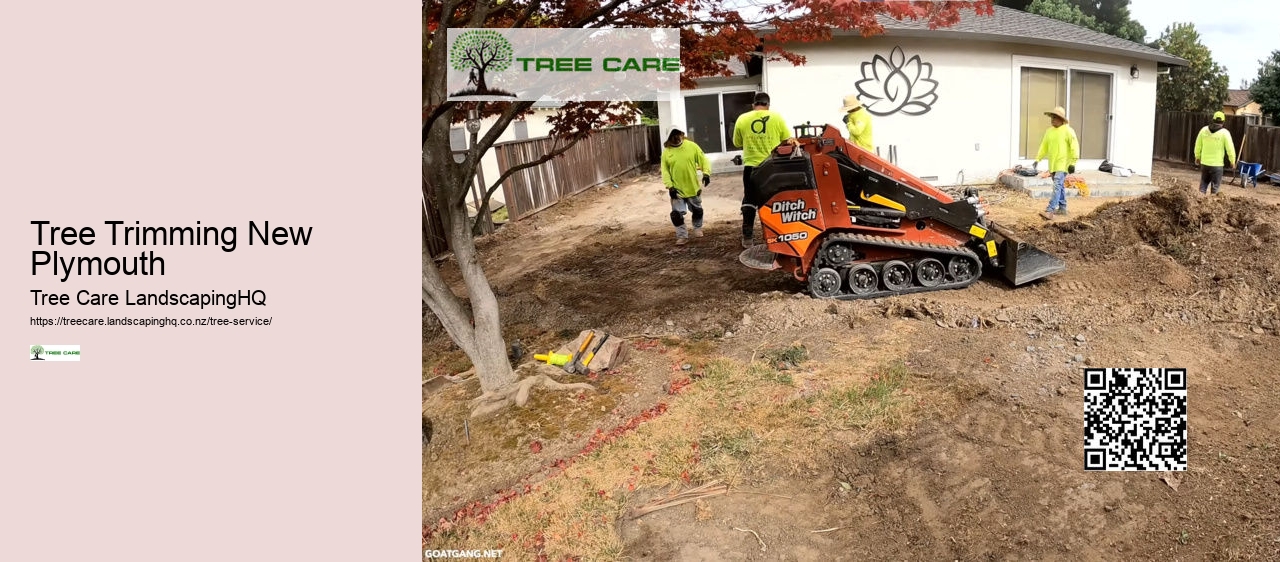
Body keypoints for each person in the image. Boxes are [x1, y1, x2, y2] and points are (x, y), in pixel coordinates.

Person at [732, 92, 793, 248]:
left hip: (751, 167)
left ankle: (747, 237)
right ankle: (775, 236)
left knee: (749, 200)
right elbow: (786, 140)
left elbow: (737, 142)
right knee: (774, 202)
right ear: (768, 105)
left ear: (754, 104)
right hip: (772, 168)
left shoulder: (742, 119)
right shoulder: (777, 117)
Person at [660, 129, 712, 246]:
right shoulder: (667, 152)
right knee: (676, 215)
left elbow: (703, 160)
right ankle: (682, 236)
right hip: (677, 189)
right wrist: (670, 187)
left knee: (697, 210)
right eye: (673, 135)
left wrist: (706, 173)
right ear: (669, 138)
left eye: (678, 134)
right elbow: (665, 171)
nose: (676, 137)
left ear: (682, 134)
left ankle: (697, 228)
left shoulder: (692, 146)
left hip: (692, 187)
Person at [1034, 106, 1079, 220]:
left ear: (1061, 119)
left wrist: (1073, 162)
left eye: (1055, 117)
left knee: (1057, 185)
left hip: (1063, 164)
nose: (1052, 120)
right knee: (1060, 186)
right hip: (1053, 164)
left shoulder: (1068, 131)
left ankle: (1050, 210)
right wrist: (1037, 159)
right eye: (1052, 117)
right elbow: (1044, 146)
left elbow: (1075, 147)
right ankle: (1063, 208)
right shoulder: (1049, 132)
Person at [1194, 111, 1236, 196]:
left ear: (1213, 119)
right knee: (1215, 189)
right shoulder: (1225, 133)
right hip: (1217, 166)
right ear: (1223, 122)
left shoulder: (1204, 130)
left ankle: (1199, 205)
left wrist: (1197, 156)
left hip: (1205, 164)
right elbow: (1230, 149)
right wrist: (1232, 161)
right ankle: (1212, 207)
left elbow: (1197, 145)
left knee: (1203, 187)